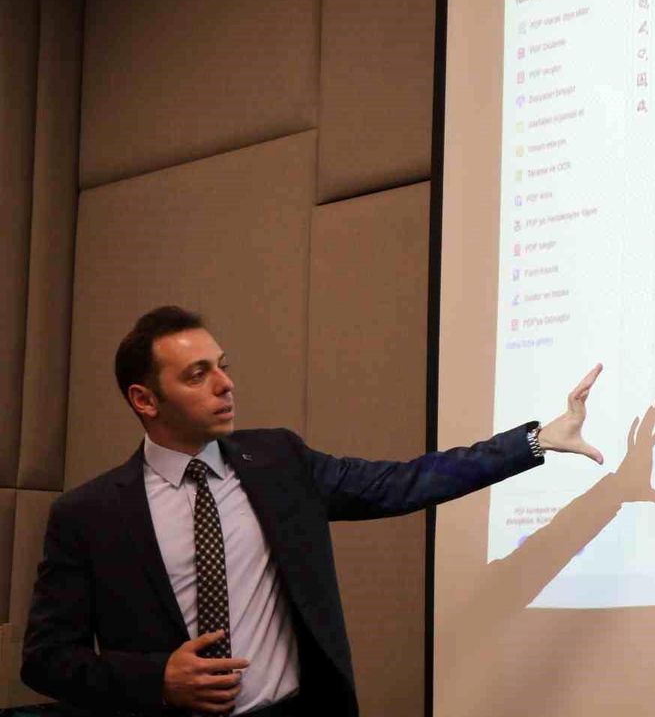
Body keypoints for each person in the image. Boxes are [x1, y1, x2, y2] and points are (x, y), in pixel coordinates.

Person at [21, 305, 605, 716]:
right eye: (198, 375)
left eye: (223, 365)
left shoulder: (278, 460)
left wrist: (535, 441)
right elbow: (45, 660)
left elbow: (403, 483)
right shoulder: (87, 515)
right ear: (144, 399)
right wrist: (157, 680)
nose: (225, 384)